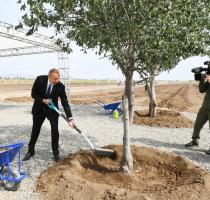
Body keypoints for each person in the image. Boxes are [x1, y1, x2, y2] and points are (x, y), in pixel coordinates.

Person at [22, 68, 75, 162]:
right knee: (35, 130)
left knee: (55, 131)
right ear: (49, 77)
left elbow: (65, 102)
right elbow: (33, 94)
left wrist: (70, 118)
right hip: (39, 109)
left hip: (52, 111)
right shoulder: (40, 80)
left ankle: (56, 153)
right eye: (55, 79)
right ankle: (30, 151)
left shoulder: (60, 86)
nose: (57, 81)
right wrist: (43, 100)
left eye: (58, 78)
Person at [185, 73, 210, 154]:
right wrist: (202, 80)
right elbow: (201, 90)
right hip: (204, 107)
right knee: (197, 124)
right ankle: (195, 140)